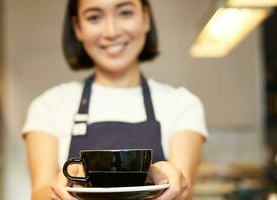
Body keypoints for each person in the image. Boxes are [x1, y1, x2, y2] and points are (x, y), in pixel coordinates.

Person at [22, 0, 208, 199]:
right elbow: (39, 192)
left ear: (145, 18)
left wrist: (162, 176)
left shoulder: (183, 104)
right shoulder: (48, 106)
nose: (111, 31)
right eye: (94, 17)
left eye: (125, 12)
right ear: (78, 28)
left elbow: (184, 191)